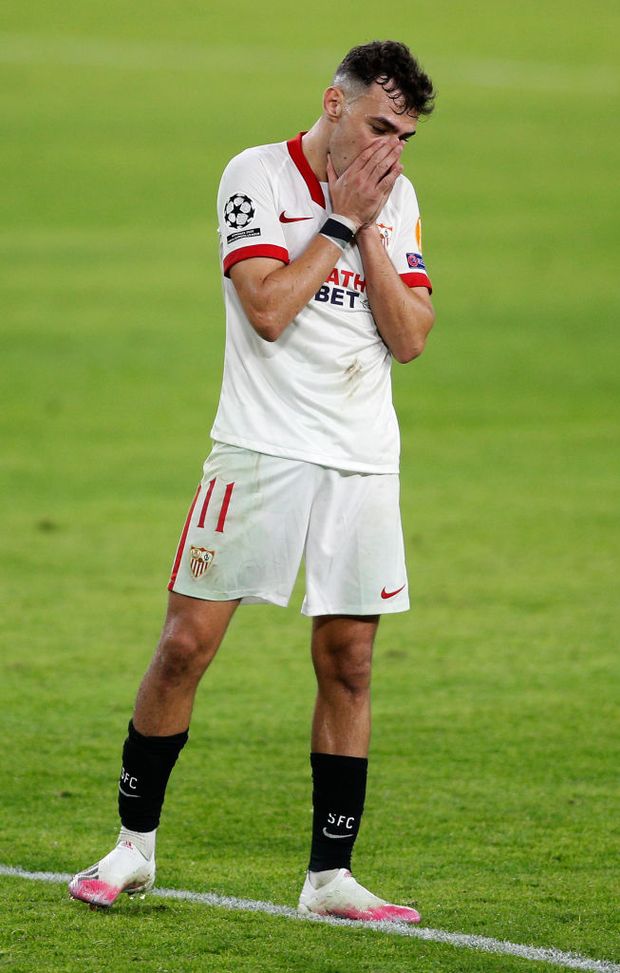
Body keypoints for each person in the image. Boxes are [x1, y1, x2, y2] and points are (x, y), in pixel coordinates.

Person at [69, 39, 436, 923]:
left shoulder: (399, 196)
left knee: (349, 660)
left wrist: (374, 233)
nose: (391, 150)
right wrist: (341, 224)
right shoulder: (256, 176)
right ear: (335, 104)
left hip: (360, 458)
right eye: (381, 126)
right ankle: (131, 849)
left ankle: (330, 878)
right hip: (259, 449)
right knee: (186, 645)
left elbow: (413, 335)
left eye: (407, 138)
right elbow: (267, 310)